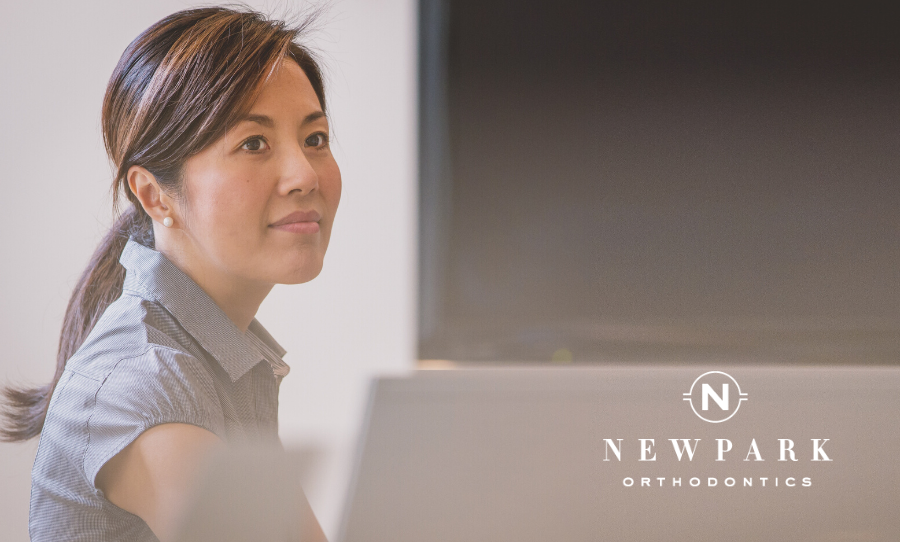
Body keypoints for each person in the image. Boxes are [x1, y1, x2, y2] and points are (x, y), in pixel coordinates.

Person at [0, 6, 339, 541]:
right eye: (254, 144)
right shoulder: (144, 385)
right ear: (155, 194)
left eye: (315, 138)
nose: (303, 174)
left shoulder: (219, 356)